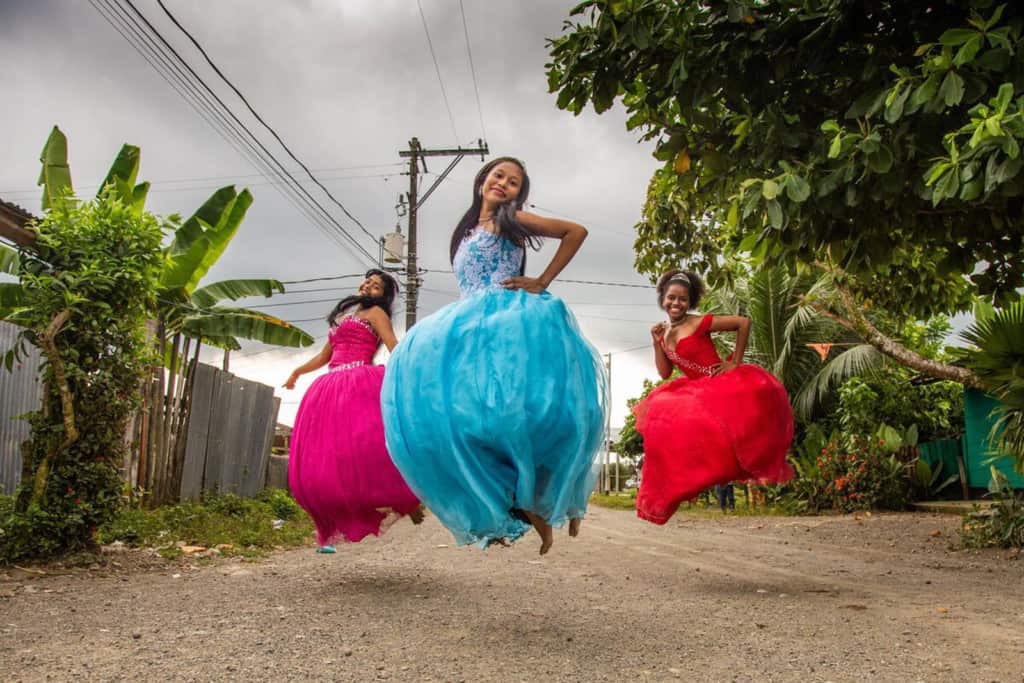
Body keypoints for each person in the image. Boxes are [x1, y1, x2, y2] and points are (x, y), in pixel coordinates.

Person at [381, 157, 607, 555]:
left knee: (516, 415)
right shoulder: (466, 231)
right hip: (468, 326)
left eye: (515, 181)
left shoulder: (509, 219)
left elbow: (577, 231)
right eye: (498, 175)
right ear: (482, 179)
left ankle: (555, 500)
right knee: (464, 421)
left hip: (506, 323)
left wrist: (542, 281)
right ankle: (511, 509)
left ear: (520, 193)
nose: (503, 183)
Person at [633, 269, 793, 524]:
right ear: (662, 297)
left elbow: (743, 323)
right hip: (696, 391)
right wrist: (655, 342)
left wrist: (734, 363)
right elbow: (664, 374)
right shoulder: (663, 333)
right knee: (662, 424)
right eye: (671, 298)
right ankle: (666, 499)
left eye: (683, 299)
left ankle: (713, 485)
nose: (676, 303)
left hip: (719, 385)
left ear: (690, 301)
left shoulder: (698, 323)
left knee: (727, 440)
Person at [284, 269, 422, 550]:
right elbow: (325, 356)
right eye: (367, 282)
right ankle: (338, 518)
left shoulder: (376, 316)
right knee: (332, 457)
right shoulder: (346, 318)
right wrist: (298, 371)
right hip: (330, 387)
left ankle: (404, 496)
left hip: (358, 383)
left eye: (376, 286)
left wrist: (408, 374)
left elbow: (395, 347)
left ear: (383, 297)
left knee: (366, 447)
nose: (368, 287)